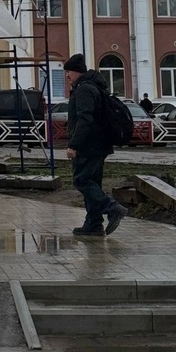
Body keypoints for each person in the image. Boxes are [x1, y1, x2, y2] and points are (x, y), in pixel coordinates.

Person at [64, 53, 127, 237]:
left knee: (81, 180)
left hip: (89, 145)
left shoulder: (84, 90)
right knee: (93, 183)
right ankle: (94, 223)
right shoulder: (94, 87)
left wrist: (73, 144)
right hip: (99, 143)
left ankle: (112, 208)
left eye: (69, 71)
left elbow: (85, 119)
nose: (67, 75)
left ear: (78, 72)